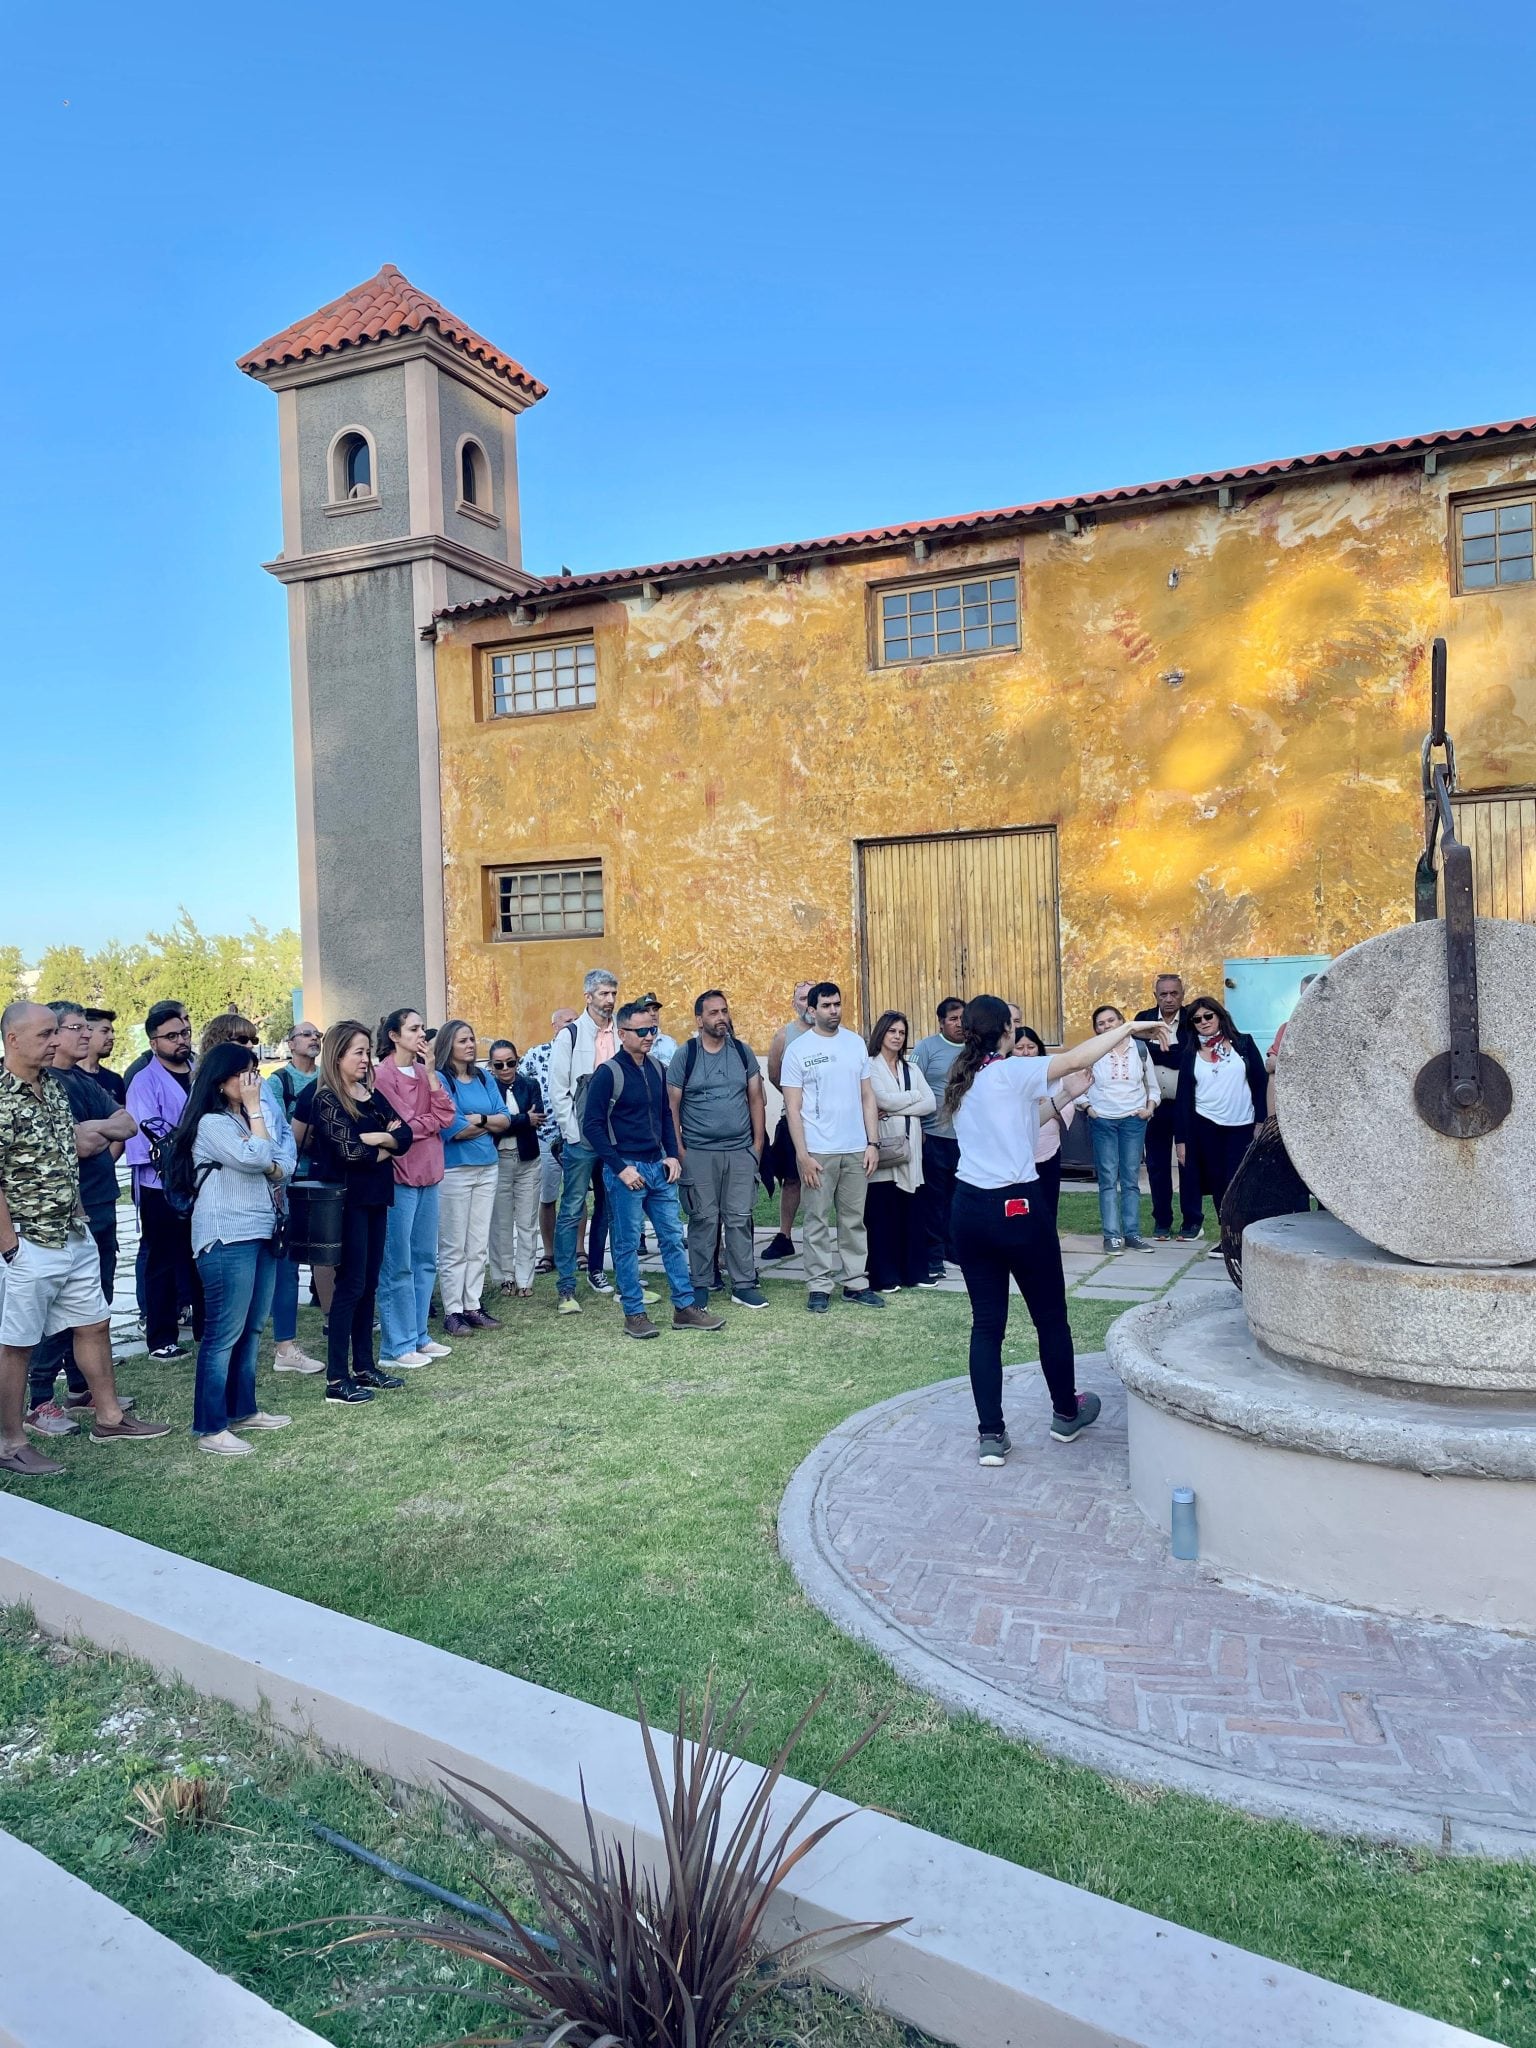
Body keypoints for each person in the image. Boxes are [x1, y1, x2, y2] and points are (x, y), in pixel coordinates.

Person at [944, 994, 1170, 1466]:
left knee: (987, 1326)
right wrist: (1128, 1028)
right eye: (1017, 1024)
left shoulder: (966, 1079)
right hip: (1019, 1209)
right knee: (1049, 1318)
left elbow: (1025, 1127)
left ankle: (991, 1434)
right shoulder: (1011, 1071)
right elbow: (1075, 1056)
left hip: (969, 1210)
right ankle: (1066, 1412)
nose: (1021, 1030)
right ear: (1004, 1031)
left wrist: (1068, 1094)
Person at [0, 1001, 169, 1477]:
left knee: (94, 1322)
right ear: (12, 1039)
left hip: (74, 1232)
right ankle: (10, 1440)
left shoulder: (54, 1086)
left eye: (57, 1032)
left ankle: (109, 1417)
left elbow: (70, 1152)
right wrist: (9, 1245)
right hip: (28, 1241)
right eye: (45, 1035)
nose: (55, 1041)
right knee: (16, 1344)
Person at [166, 1041, 296, 1456]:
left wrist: (266, 1153)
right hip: (226, 1236)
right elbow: (258, 1159)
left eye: (255, 1071)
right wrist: (259, 1119)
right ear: (222, 1082)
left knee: (254, 1327)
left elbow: (281, 1160)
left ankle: (244, 1409)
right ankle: (210, 1426)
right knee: (223, 1333)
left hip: (261, 1231)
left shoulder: (245, 1119)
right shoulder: (212, 1123)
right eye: (245, 1073)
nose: (253, 1081)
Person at [23, 1003, 138, 1438]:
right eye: (74, 1028)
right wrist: (93, 1132)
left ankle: (81, 1387)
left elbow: (126, 1125)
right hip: (63, 1214)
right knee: (52, 1313)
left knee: (95, 1306)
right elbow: (76, 1143)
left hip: (102, 1203)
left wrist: (96, 1130)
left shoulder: (80, 1082)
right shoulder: (39, 1085)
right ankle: (39, 1400)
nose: (85, 1035)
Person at [581, 1002, 726, 1339]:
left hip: (659, 1169)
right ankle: (634, 1313)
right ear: (622, 1033)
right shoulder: (608, 1074)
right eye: (641, 1031)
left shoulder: (658, 1069)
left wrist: (672, 1156)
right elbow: (592, 1126)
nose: (649, 1037)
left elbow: (665, 1116)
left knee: (673, 1239)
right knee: (627, 1243)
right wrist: (619, 1168)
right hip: (626, 1169)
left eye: (652, 1030)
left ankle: (685, 1307)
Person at [307, 1020, 413, 1401]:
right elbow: (348, 1151)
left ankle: (365, 1367)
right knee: (349, 1286)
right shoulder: (327, 1100)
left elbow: (406, 1136)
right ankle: (337, 1378)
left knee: (369, 1283)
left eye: (368, 1051)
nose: (366, 1059)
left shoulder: (370, 1095)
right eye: (359, 1052)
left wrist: (380, 1140)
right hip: (347, 1203)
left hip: (375, 1198)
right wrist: (383, 1146)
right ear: (337, 1056)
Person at [780, 983, 883, 1314]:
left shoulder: (855, 1044)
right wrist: (803, 1155)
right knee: (817, 1220)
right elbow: (792, 1108)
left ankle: (855, 1283)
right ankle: (819, 1285)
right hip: (818, 1152)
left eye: (837, 1004)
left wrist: (872, 1142)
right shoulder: (798, 1050)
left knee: (854, 1220)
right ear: (812, 1010)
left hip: (855, 1148)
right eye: (826, 1005)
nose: (833, 1010)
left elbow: (868, 1096)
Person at [666, 991, 767, 1311]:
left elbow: (755, 1098)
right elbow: (672, 1105)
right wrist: (679, 1150)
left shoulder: (741, 1052)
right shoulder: (687, 1055)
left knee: (739, 1218)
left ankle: (744, 1284)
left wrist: (757, 1145)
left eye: (724, 1011)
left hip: (740, 1151)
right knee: (703, 1219)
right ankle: (701, 1282)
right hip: (698, 1152)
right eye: (713, 1013)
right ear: (699, 1020)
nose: (721, 1017)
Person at [372, 1009, 456, 1364]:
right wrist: (426, 1123)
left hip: (429, 1173)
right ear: (394, 1035)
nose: (422, 1034)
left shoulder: (425, 1072)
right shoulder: (382, 1075)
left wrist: (433, 1076)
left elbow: (447, 1115)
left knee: (425, 1260)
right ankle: (396, 1344)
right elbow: (400, 1126)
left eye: (423, 1027)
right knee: (398, 1264)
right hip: (399, 1176)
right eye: (414, 1028)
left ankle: (420, 1335)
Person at [125, 999, 203, 1359]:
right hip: (161, 1182)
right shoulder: (144, 1081)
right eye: (171, 1036)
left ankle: (206, 1328)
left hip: (204, 1177)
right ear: (153, 1042)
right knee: (162, 1258)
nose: (180, 1041)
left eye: (184, 1033)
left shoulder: (201, 1071)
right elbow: (147, 1133)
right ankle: (161, 1337)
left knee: (201, 1254)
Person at [548, 968, 621, 1314]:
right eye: (603, 994)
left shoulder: (621, 1032)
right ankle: (566, 1286)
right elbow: (558, 1089)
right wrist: (572, 1134)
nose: (609, 1000)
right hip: (581, 1138)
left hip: (613, 1136)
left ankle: (597, 1271)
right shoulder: (571, 1035)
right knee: (572, 1208)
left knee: (610, 1206)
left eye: (612, 994)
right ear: (588, 996)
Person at [1174, 997, 1268, 1258]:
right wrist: (1181, 1140)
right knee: (1218, 1184)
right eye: (1197, 1019)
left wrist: (1261, 1121)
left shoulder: (1244, 1044)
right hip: (1205, 1126)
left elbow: (1260, 1084)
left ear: (1219, 1016)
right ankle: (1228, 1238)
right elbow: (1183, 1097)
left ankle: (1245, 1236)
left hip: (1242, 1125)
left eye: (1208, 1016)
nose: (1203, 1022)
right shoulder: (1191, 1053)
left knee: (1239, 1183)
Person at [434, 1020, 510, 1334]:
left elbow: (505, 1119)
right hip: (455, 1171)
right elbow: (453, 1128)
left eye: (472, 1039)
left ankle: (472, 1304)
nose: (470, 1044)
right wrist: (485, 1123)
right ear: (448, 1044)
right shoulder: (440, 1079)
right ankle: (453, 1310)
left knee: (477, 1243)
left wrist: (477, 1119)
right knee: (454, 1244)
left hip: (487, 1167)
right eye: (463, 1040)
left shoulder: (484, 1077)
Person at [265, 1019, 327, 1370]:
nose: (314, 1039)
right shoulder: (280, 1081)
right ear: (290, 1044)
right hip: (291, 1175)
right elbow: (277, 1129)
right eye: (306, 1035)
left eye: (317, 1035)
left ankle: (329, 1309)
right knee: (288, 1258)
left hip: (322, 1172)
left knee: (325, 1248)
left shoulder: (326, 1076)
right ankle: (284, 1342)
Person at [864, 1011, 936, 1294]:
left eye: (901, 1033)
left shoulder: (912, 1069)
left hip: (911, 1151)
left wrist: (899, 1104)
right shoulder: (869, 1067)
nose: (896, 1036)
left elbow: (930, 1103)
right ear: (881, 1033)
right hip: (883, 1148)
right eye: (892, 1031)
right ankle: (885, 1275)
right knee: (883, 1216)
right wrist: (912, 1098)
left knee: (912, 1214)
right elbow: (878, 1099)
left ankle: (914, 1272)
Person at [1083, 1003, 1160, 1253]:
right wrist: (1088, 1108)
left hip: (1133, 1121)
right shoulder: (1092, 1051)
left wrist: (1149, 1108)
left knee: (1130, 1180)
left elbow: (1154, 1085)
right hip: (1102, 1120)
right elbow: (1073, 1082)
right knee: (1107, 1179)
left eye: (1111, 1021)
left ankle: (1132, 1233)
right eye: (1100, 1023)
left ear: (1122, 1021)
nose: (1106, 1026)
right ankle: (1112, 1236)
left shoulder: (1139, 1048)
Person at [1135, 974, 1201, 1243]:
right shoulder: (1144, 1019)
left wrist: (1162, 1051)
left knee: (1189, 1163)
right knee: (1157, 1165)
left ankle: (1192, 1221)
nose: (1169, 999)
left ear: (1183, 994)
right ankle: (1162, 1221)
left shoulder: (1193, 1019)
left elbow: (1188, 1055)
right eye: (1164, 994)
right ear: (1156, 996)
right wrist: (1172, 1052)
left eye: (1174, 993)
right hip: (1155, 1106)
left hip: (1186, 1106)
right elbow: (1140, 1054)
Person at [910, 998, 965, 1282]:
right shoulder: (926, 1048)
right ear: (941, 1022)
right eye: (953, 1019)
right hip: (933, 1135)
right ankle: (933, 1255)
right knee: (934, 1200)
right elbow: (912, 1084)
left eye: (962, 1018)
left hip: (966, 1138)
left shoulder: (975, 1049)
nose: (959, 1023)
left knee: (959, 1198)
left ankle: (955, 1249)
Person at [519, 1007, 577, 1274]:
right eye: (568, 1021)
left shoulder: (584, 1054)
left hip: (575, 1135)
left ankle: (580, 1250)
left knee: (576, 1194)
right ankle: (550, 1252)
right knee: (548, 1196)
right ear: (554, 1026)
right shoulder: (537, 1053)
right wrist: (526, 1114)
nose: (573, 1025)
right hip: (545, 1134)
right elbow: (517, 1082)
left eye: (576, 1021)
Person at [487, 1038, 545, 1299]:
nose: (506, 1068)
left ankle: (524, 1277)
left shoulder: (529, 1085)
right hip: (498, 1159)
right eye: (499, 1065)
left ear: (518, 1061)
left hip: (527, 1159)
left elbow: (538, 1118)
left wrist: (508, 1122)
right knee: (500, 1222)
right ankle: (504, 1276)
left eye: (511, 1062)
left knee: (527, 1222)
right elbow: (490, 1123)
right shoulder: (488, 1088)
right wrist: (522, 1119)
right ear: (492, 1066)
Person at [761, 981, 814, 1262]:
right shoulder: (785, 1035)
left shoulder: (839, 1035)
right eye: (803, 998)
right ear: (794, 1003)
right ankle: (784, 1236)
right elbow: (774, 1075)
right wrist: (798, 1101)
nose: (808, 1003)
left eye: (812, 997)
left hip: (830, 1123)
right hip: (794, 1119)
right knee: (791, 1179)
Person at [1017, 1026, 1089, 1227]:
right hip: (1017, 1154)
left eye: (1030, 1047)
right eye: (1019, 1047)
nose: (1025, 1052)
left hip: (1048, 1148)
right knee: (1019, 1204)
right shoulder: (1005, 1077)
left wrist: (1046, 1104)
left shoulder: (1052, 1076)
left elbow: (1066, 1109)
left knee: (1047, 1202)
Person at [80, 1009, 126, 1105]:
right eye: (105, 1031)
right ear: (86, 1033)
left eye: (112, 1032)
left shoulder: (115, 1080)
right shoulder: (67, 1077)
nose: (112, 1037)